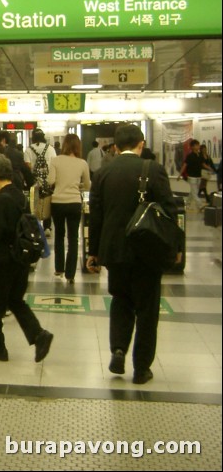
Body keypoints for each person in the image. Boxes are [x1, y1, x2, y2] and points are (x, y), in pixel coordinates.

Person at [87, 124, 178, 385]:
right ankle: (141, 368)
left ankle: (118, 349)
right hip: (147, 250)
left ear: (115, 147)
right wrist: (175, 249)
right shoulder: (154, 170)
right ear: (141, 144)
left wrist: (93, 252)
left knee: (120, 300)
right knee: (147, 309)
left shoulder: (103, 173)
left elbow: (97, 217)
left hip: (114, 251)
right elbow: (170, 212)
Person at [0, 153, 54, 363]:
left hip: (2, 261)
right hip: (20, 258)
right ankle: (38, 334)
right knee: (15, 301)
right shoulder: (19, 195)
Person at [47, 134, 91, 283]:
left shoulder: (55, 161)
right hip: (74, 202)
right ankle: (70, 274)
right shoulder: (82, 163)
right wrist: (77, 185)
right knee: (73, 238)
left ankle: (59, 268)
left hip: (58, 202)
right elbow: (88, 185)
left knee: (59, 235)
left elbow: (51, 181)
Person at [24, 128, 57, 233]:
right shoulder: (51, 149)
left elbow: (28, 166)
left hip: (34, 181)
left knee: (34, 204)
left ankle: (35, 226)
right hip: (48, 180)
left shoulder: (29, 150)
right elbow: (54, 164)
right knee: (47, 202)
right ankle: (47, 226)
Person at [178, 139, 214, 212]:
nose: (198, 146)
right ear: (193, 147)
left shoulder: (199, 155)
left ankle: (187, 204)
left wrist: (209, 168)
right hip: (191, 177)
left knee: (193, 192)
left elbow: (203, 164)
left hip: (198, 177)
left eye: (198, 145)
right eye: (197, 145)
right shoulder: (190, 156)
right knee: (195, 193)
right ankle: (200, 205)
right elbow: (184, 165)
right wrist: (179, 174)